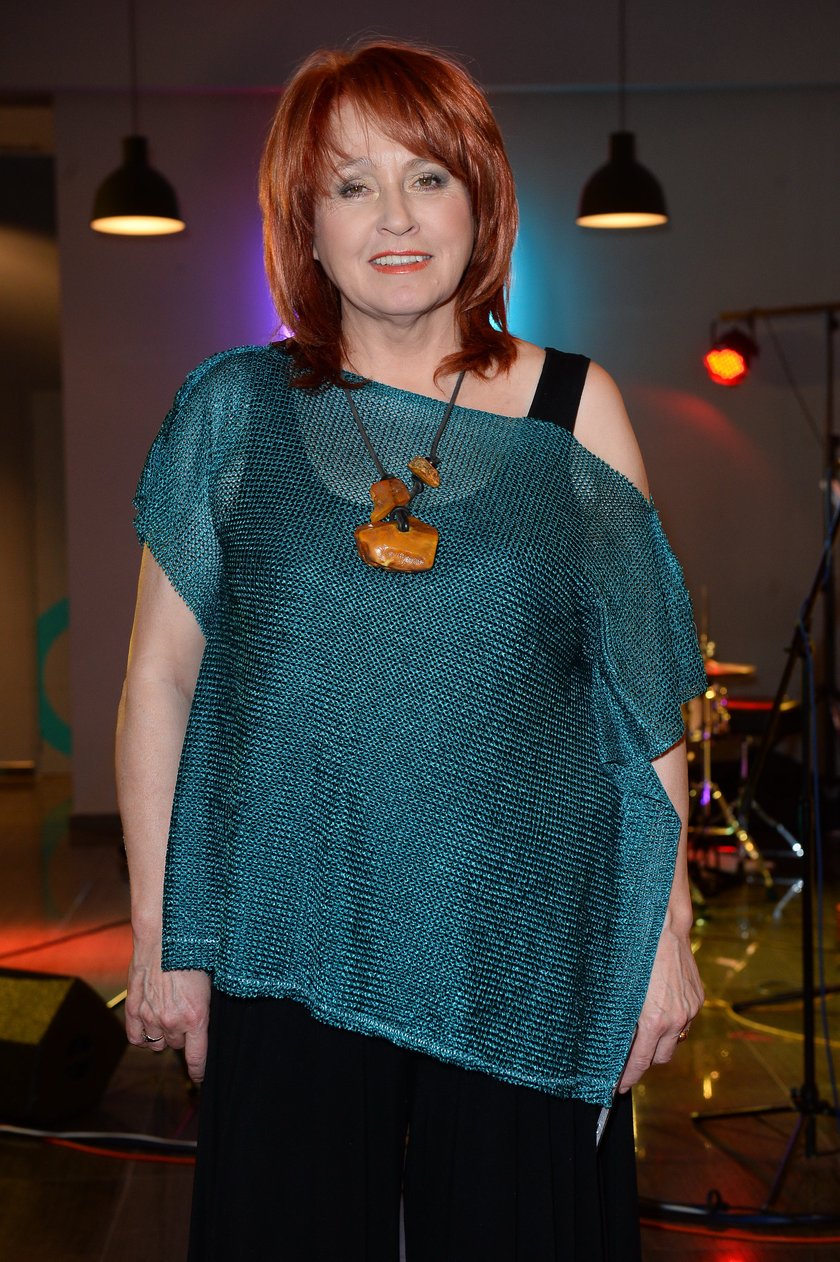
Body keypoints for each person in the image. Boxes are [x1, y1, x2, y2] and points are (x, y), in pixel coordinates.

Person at [116, 39, 707, 1262]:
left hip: (524, 940)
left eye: (429, 177)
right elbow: (159, 681)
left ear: (479, 201)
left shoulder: (577, 409)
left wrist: (667, 932)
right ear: (306, 222)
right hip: (284, 936)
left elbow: (640, 697)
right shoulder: (233, 412)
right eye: (352, 184)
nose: (395, 216)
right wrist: (164, 932)